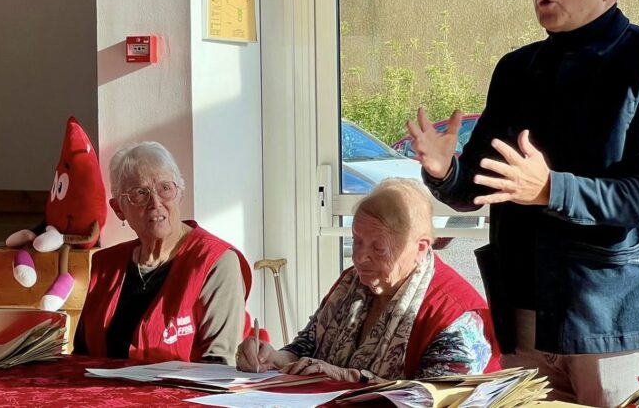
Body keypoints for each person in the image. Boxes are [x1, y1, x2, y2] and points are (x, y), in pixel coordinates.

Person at [408, 0, 639, 406]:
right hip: (524, 312)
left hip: (610, 320)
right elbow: (479, 186)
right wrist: (445, 171)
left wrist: (550, 189)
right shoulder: (516, 69)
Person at [237, 178, 498, 382]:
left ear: (420, 248)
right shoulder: (352, 283)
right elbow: (307, 347)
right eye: (356, 241)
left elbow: (434, 399)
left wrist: (346, 378)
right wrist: (274, 357)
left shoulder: (456, 318)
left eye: (378, 248)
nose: (360, 257)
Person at [75, 141, 250, 364]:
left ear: (180, 194)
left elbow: (219, 366)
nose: (155, 203)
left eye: (165, 188)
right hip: (101, 387)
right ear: (118, 208)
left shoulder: (215, 261)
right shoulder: (106, 265)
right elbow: (81, 357)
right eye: (140, 193)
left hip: (182, 388)